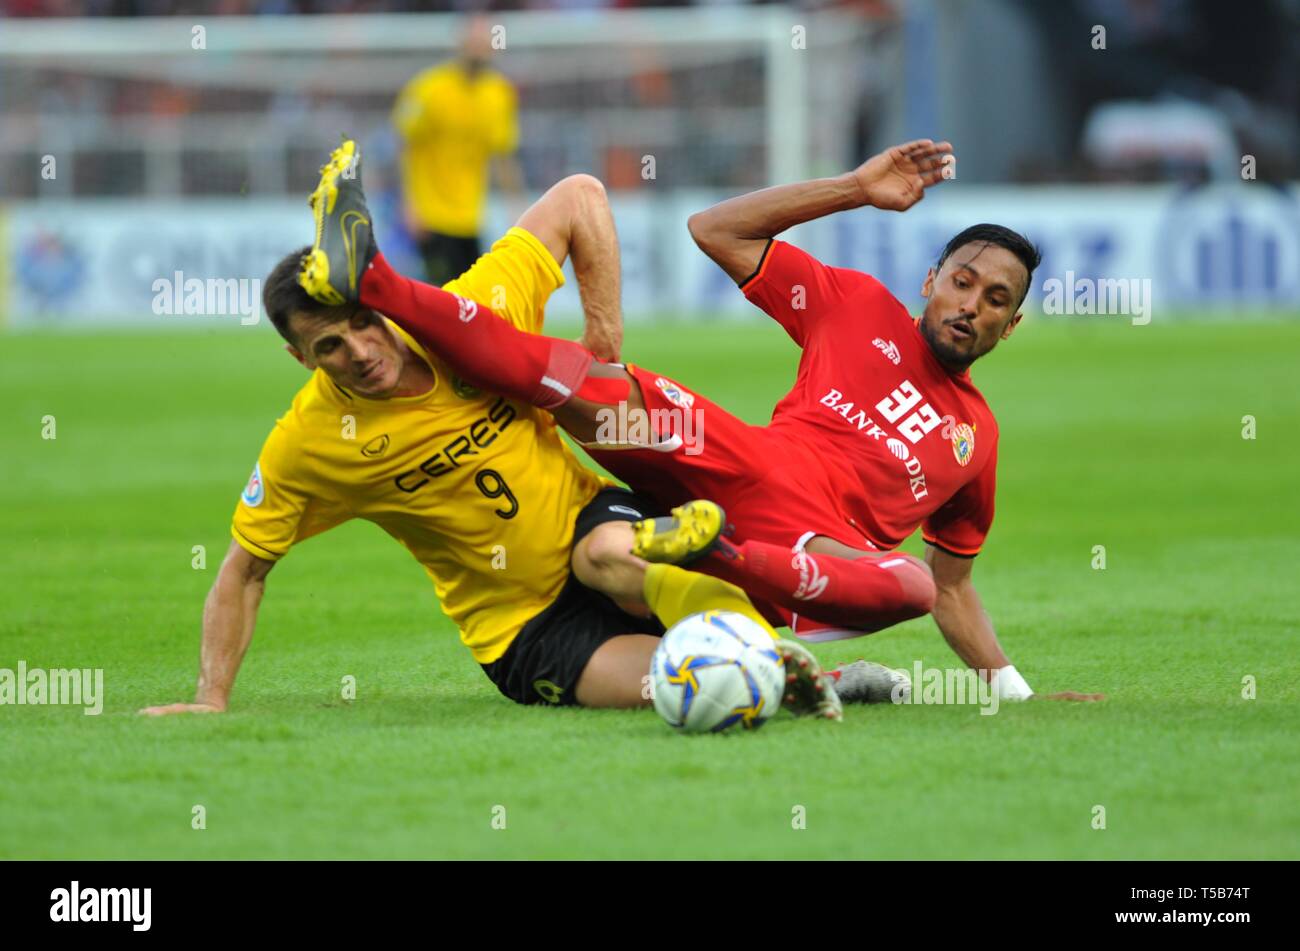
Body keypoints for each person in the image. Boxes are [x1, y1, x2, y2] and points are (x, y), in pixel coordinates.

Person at [299, 138, 1103, 704]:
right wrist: (857, 188)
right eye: (963, 282)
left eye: (996, 301)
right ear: (932, 279)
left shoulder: (978, 438)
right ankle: (376, 280)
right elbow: (715, 230)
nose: (971, 306)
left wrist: (1013, 690)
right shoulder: (857, 305)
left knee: (916, 584)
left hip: (808, 556)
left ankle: (710, 550)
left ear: (1011, 326)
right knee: (593, 385)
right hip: (744, 462)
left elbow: (955, 589)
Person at [141, 166, 840, 720]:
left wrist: (604, 340)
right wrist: (211, 695)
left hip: (591, 525)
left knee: (610, 552)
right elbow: (244, 570)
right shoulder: (309, 442)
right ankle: (788, 673)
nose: (358, 349)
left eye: (361, 320)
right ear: (303, 360)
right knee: (690, 683)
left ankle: (779, 655)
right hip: (522, 630)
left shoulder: (466, 317)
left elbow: (579, 196)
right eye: (329, 345)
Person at [392, 14, 525, 286]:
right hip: (431, 214)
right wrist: (409, 205)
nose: (479, 48)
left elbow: (503, 155)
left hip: (471, 216)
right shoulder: (429, 88)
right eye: (474, 41)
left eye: (485, 41)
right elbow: (405, 145)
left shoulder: (499, 94)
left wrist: (516, 208)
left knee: (469, 301)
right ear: (461, 44)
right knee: (439, 297)